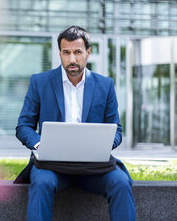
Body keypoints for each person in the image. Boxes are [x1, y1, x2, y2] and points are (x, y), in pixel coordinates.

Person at [14, 26, 136, 221]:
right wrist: (40, 145)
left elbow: (116, 130)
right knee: (42, 183)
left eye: (77, 52)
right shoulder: (40, 82)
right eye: (66, 53)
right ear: (60, 53)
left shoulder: (105, 85)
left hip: (93, 167)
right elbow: (24, 126)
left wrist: (102, 145)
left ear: (88, 52)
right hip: (51, 165)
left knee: (120, 182)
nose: (72, 59)